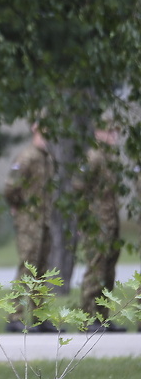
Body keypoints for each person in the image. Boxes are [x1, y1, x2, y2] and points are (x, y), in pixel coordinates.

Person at [3, 122, 58, 333]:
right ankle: (14, 316)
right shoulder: (26, 157)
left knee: (42, 270)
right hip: (29, 221)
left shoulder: (48, 158)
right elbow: (10, 187)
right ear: (36, 129)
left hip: (44, 221)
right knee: (27, 267)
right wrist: (19, 206)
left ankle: (40, 316)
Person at [76, 122, 126, 333]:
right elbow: (78, 187)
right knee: (95, 269)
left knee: (108, 270)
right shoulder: (93, 157)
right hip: (96, 223)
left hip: (111, 222)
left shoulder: (110, 159)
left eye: (115, 131)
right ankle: (88, 318)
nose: (113, 135)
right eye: (109, 130)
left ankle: (102, 316)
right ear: (98, 132)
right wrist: (83, 219)